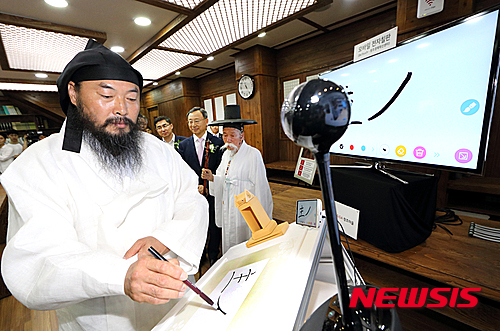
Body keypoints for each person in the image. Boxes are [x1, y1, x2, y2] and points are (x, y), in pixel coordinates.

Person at [0, 40, 208, 331]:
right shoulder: (38, 164)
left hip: (173, 306)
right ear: (74, 93)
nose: (121, 109)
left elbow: (192, 199)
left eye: (132, 98)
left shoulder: (157, 150)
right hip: (97, 319)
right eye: (107, 95)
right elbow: (37, 260)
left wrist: (167, 238)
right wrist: (121, 274)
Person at [201, 105, 273, 254]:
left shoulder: (253, 154)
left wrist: (262, 219)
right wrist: (212, 178)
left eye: (232, 135)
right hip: (228, 207)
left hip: (245, 210)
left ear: (242, 135)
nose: (228, 139)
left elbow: (261, 187)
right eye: (225, 135)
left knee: (245, 242)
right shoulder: (226, 154)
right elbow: (223, 179)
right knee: (230, 243)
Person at [178, 107, 223, 266]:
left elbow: (221, 168)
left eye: (197, 121)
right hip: (194, 193)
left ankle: (213, 253)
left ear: (206, 122)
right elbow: (183, 171)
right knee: (198, 224)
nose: (193, 124)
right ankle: (200, 252)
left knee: (214, 223)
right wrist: (195, 186)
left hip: (213, 191)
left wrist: (210, 184)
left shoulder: (218, 143)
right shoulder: (183, 145)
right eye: (190, 121)